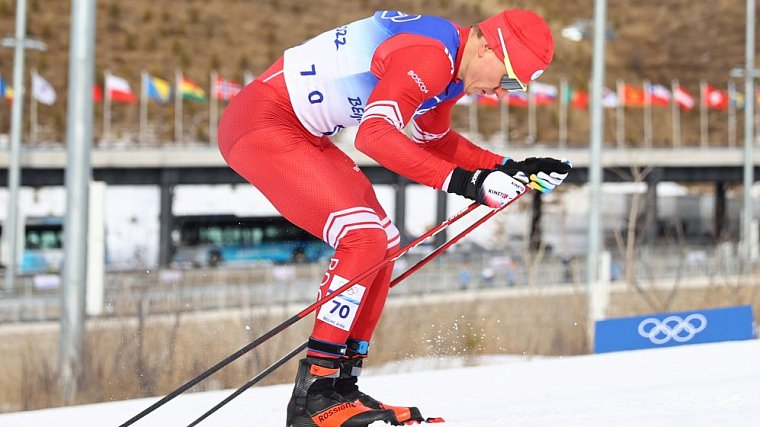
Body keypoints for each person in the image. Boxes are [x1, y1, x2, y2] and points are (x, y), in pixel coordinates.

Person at [218, 8, 571, 427]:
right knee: (363, 237)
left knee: (383, 240)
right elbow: (374, 136)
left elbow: (432, 140)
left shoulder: (453, 67)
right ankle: (314, 395)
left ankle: (340, 389)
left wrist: (511, 166)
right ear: (489, 47)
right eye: (509, 79)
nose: (501, 93)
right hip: (264, 123)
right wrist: (470, 184)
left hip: (300, 131)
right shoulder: (431, 56)